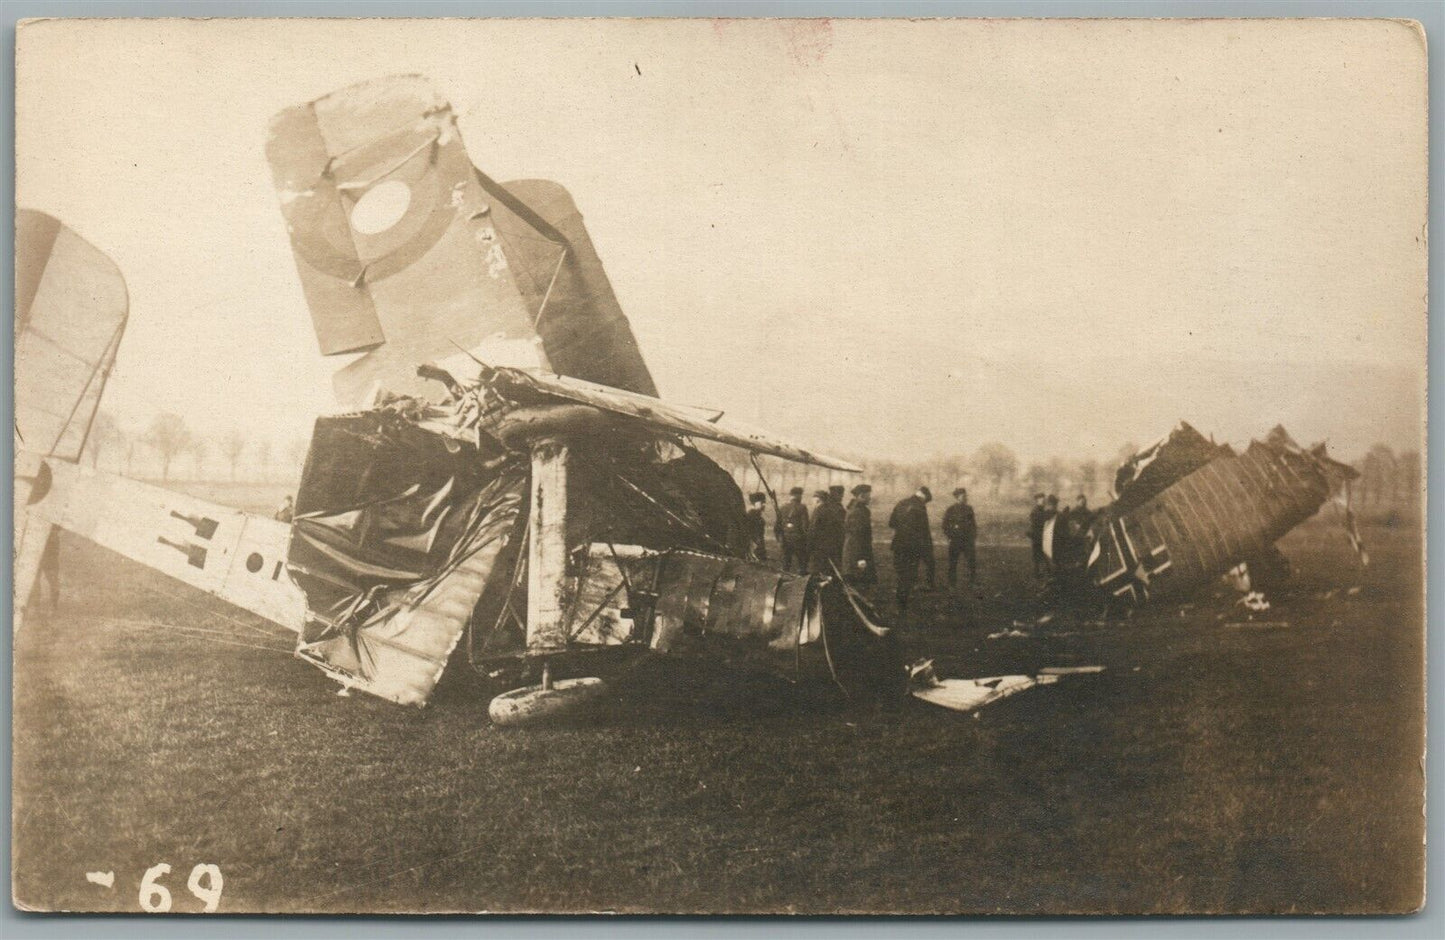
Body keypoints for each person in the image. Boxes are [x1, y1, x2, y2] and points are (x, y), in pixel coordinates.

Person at [888, 485, 935, 610]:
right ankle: (902, 604)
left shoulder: (901, 503)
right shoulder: (920, 507)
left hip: (898, 545)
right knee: (909, 575)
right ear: (924, 498)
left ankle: (900, 600)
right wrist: (928, 550)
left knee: (901, 573)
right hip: (913, 547)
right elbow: (924, 531)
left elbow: (891, 523)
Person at [842, 484, 876, 590]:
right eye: (868, 495)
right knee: (857, 584)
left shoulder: (859, 510)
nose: (870, 498)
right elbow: (856, 537)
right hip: (856, 554)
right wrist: (860, 558)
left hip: (856, 552)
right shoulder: (858, 512)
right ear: (861, 496)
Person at [942, 487, 978, 587]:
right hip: (955, 540)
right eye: (963, 496)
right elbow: (945, 525)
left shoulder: (969, 509)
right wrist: (950, 536)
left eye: (966, 496)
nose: (965, 498)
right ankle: (952, 584)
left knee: (971, 562)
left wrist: (973, 536)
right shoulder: (951, 510)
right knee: (953, 563)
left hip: (968, 540)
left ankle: (972, 582)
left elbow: (973, 524)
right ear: (957, 497)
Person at [807, 487, 846, 575]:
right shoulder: (831, 510)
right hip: (832, 546)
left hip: (819, 548)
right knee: (830, 570)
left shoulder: (819, 510)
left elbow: (813, 530)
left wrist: (809, 546)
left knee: (818, 571)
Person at [775, 486, 810, 573]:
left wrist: (779, 539)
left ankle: (784, 578)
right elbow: (805, 526)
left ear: (791, 496)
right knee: (802, 563)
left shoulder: (783, 507)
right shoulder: (802, 507)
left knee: (786, 563)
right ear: (799, 496)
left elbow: (777, 526)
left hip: (785, 538)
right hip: (798, 539)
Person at [1027, 492, 1050, 577]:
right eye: (1041, 500)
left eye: (1044, 500)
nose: (1043, 501)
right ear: (1037, 501)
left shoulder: (1042, 511)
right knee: (1037, 555)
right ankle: (1037, 573)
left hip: (1041, 536)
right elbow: (1036, 524)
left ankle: (1042, 572)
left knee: (1042, 554)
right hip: (1037, 536)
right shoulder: (1035, 511)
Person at [744, 492, 768, 561]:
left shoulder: (758, 516)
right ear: (755, 503)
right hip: (753, 547)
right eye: (761, 502)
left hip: (758, 547)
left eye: (764, 502)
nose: (764, 505)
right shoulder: (751, 516)